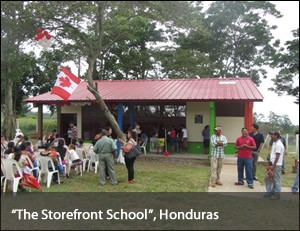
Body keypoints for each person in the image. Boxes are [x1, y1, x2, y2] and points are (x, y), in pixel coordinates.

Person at [268, 131, 285, 199]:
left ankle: (277, 195)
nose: (271, 136)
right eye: (271, 135)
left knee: (277, 179)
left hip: (277, 165)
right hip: (274, 164)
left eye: (273, 135)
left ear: (277, 136)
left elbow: (277, 156)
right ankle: (273, 192)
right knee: (274, 179)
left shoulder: (278, 144)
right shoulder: (275, 143)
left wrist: (273, 166)